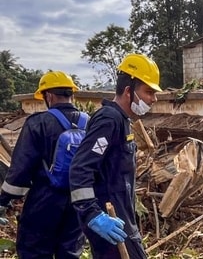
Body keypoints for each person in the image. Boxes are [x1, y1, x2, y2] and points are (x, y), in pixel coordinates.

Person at [69, 53, 162, 259]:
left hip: (121, 221)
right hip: (109, 223)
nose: (153, 99)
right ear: (128, 91)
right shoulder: (108, 120)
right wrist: (92, 215)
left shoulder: (122, 120)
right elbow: (80, 169)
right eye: (148, 92)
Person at [0, 71, 86, 258]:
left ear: (48, 95)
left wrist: (4, 200)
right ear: (72, 94)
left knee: (34, 252)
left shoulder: (38, 123)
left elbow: (21, 169)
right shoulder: (91, 123)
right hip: (79, 203)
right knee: (70, 253)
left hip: (44, 201)